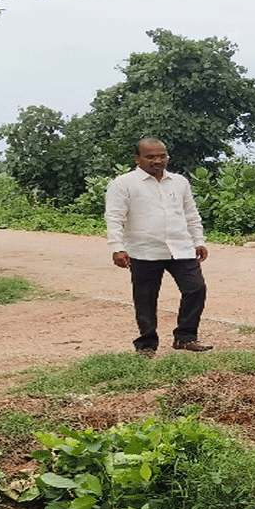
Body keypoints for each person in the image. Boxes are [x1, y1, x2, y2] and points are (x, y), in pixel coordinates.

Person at [104, 138, 212, 357]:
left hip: (180, 248)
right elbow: (114, 217)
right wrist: (117, 247)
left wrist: (198, 240)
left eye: (162, 156)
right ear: (137, 158)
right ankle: (146, 344)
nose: (158, 161)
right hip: (144, 250)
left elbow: (191, 213)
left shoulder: (179, 182)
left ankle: (185, 337)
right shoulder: (123, 184)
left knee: (196, 289)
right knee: (145, 298)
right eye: (150, 157)